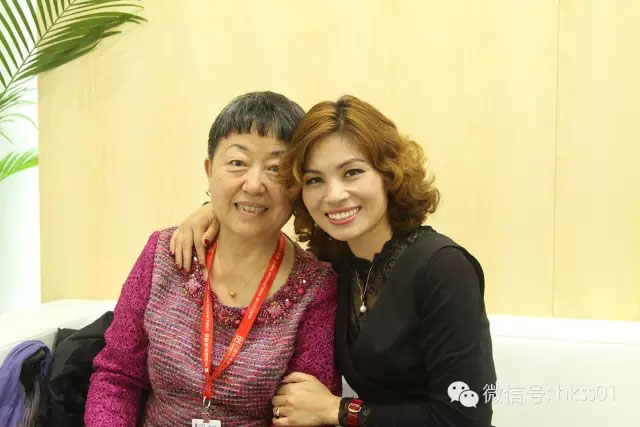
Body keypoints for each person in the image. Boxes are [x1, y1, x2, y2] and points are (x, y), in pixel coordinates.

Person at [172, 95, 497, 426]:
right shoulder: (339, 262)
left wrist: (339, 410)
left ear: (388, 173)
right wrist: (213, 211)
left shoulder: (442, 268)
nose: (335, 195)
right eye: (315, 180)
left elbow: (466, 415)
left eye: (352, 172)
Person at [84, 92, 341, 427]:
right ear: (209, 170)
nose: (254, 184)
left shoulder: (315, 288)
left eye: (276, 169)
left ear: (297, 184)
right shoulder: (163, 255)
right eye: (238, 163)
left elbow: (305, 415)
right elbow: (117, 376)